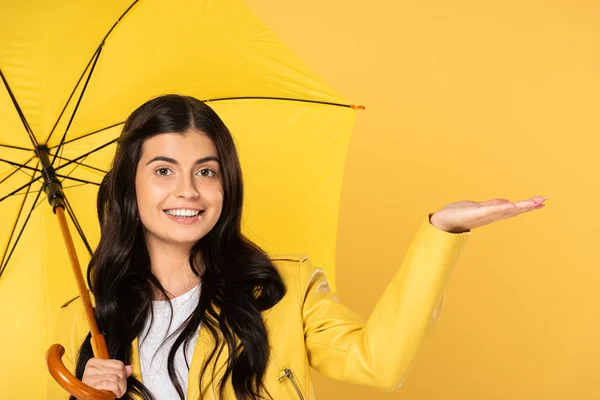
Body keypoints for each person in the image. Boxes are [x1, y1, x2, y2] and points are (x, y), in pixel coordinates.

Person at [46, 94, 546, 400]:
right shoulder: (93, 317)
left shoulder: (282, 289)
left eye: (206, 170)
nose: (188, 190)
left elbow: (380, 363)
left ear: (228, 184)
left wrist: (442, 231)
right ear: (129, 187)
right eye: (162, 171)